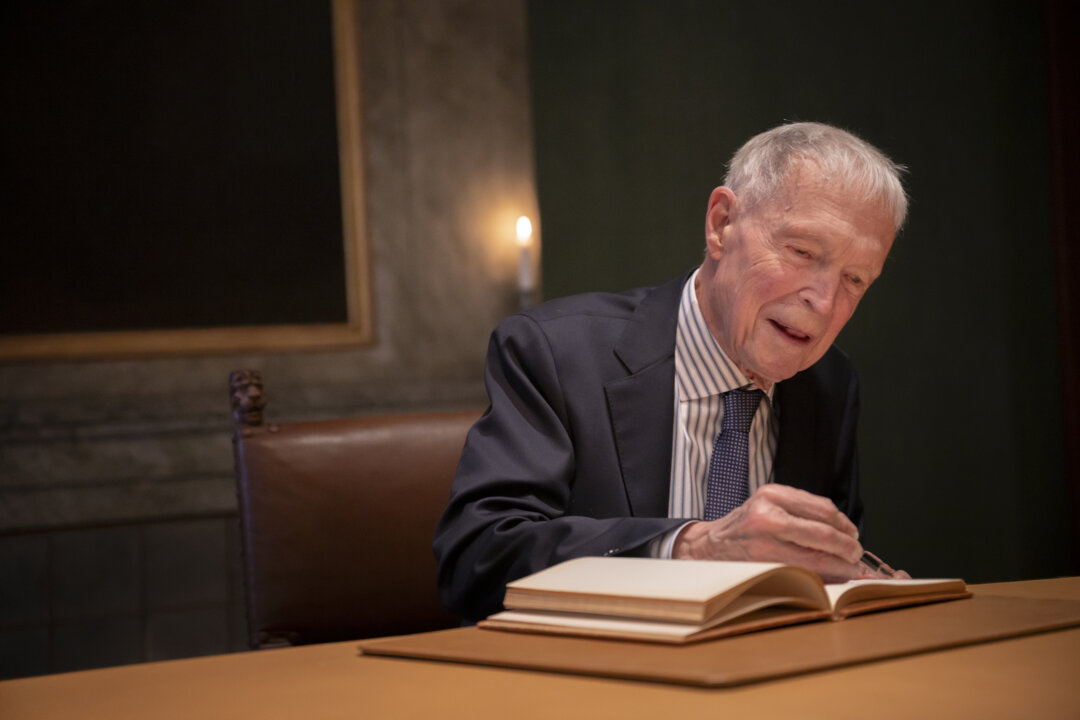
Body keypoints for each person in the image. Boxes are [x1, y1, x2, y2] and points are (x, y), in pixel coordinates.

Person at [434, 122, 908, 622]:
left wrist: (852, 575)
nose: (824, 300)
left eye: (855, 280)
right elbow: (477, 561)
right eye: (803, 252)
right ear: (721, 223)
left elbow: (818, 569)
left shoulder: (829, 386)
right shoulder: (553, 352)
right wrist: (694, 548)